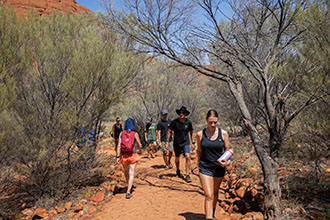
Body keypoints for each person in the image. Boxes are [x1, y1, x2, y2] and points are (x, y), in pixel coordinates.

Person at [196, 110, 231, 220]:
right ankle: (209, 218)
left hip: (219, 168)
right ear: (206, 120)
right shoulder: (200, 134)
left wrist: (227, 162)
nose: (213, 125)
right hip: (205, 167)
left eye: (215, 122)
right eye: (210, 122)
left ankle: (212, 213)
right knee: (208, 195)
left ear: (218, 121)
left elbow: (228, 150)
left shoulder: (223, 133)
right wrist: (198, 164)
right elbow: (199, 151)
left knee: (215, 193)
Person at [165, 106, 195, 182]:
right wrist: (167, 142)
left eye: (183, 113)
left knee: (187, 156)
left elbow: (191, 133)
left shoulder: (188, 122)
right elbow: (169, 131)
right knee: (177, 158)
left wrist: (193, 143)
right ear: (179, 113)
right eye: (180, 113)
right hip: (177, 143)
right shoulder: (174, 122)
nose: (181, 114)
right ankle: (178, 169)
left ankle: (187, 174)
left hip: (186, 142)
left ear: (185, 114)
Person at [116, 118, 142, 199]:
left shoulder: (121, 133)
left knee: (126, 173)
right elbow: (139, 144)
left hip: (124, 156)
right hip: (132, 155)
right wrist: (140, 151)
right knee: (131, 173)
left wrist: (117, 156)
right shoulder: (135, 134)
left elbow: (119, 146)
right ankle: (128, 191)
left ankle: (129, 186)